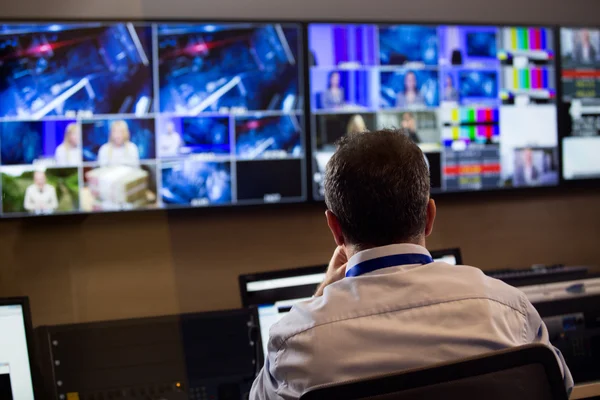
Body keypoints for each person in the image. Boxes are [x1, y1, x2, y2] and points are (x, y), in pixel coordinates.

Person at [250, 130, 572, 400]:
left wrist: (322, 295)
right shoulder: (509, 311)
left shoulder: (296, 343)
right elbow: (561, 388)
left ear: (335, 228)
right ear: (429, 216)